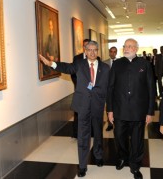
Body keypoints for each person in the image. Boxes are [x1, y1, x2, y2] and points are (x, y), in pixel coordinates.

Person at [39, 41, 110, 177]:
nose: (92, 52)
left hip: (98, 105)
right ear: (85, 50)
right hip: (82, 105)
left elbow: (109, 87)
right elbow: (67, 68)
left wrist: (110, 107)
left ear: (98, 51)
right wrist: (51, 64)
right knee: (83, 135)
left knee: (97, 132)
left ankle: (98, 155)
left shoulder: (105, 68)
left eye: (95, 50)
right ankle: (82, 165)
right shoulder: (79, 64)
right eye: (89, 50)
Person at [107, 38, 155, 179]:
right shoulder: (117, 64)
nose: (126, 48)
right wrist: (110, 110)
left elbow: (151, 89)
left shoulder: (145, 64)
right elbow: (110, 88)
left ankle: (135, 165)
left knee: (137, 140)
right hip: (119, 109)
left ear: (136, 49)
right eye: (125, 46)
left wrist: (150, 112)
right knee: (120, 137)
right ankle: (122, 157)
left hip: (138, 110)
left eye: (130, 46)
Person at [70, 39, 90, 139]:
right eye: (85, 45)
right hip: (80, 90)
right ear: (83, 47)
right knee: (78, 112)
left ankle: (91, 132)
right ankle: (76, 133)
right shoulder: (77, 58)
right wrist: (79, 86)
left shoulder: (96, 58)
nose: (87, 47)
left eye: (88, 45)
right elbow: (72, 74)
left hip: (91, 91)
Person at [104, 46, 117, 131]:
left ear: (116, 53)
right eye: (111, 51)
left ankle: (117, 123)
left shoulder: (120, 62)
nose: (112, 53)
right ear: (109, 52)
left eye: (114, 52)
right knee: (108, 107)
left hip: (117, 89)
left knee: (117, 106)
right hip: (107, 89)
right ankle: (110, 124)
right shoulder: (104, 63)